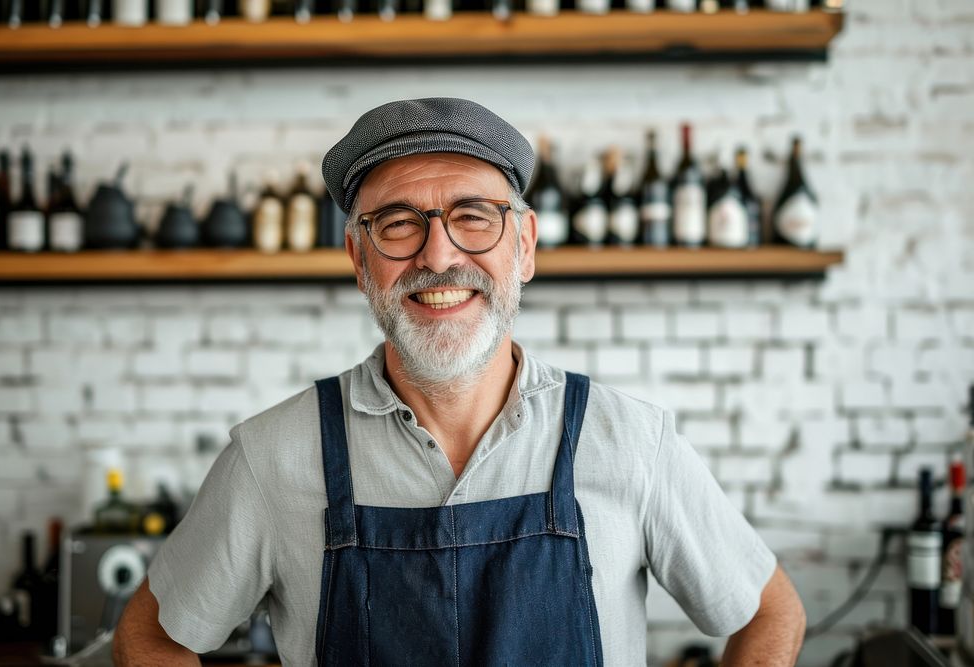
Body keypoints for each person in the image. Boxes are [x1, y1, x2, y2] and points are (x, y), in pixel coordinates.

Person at [113, 97, 805, 666]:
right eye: (397, 224)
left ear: (525, 246)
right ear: (359, 258)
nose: (438, 255)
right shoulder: (272, 456)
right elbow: (149, 639)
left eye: (473, 217)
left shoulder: (628, 442)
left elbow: (771, 613)